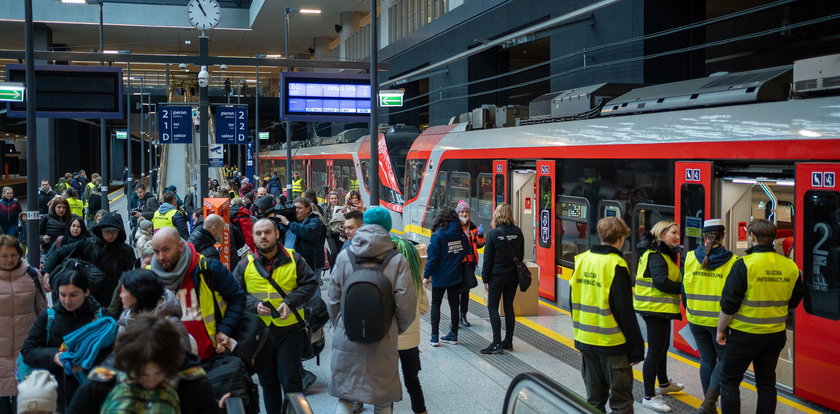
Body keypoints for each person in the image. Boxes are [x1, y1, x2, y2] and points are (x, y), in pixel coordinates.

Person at [328, 208, 416, 414]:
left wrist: (341, 322)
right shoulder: (397, 260)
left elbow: (333, 298)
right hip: (383, 336)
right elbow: (406, 305)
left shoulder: (344, 256)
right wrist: (393, 329)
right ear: (388, 227)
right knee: (383, 399)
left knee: (346, 397)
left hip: (347, 334)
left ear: (364, 224)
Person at [717, 219, 803, 414]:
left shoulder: (744, 264)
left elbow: (729, 305)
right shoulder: (790, 266)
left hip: (744, 336)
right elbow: (796, 298)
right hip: (775, 335)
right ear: (773, 238)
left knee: (729, 381)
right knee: (766, 384)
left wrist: (721, 330)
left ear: (752, 237)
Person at [233, 218, 318, 412]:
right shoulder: (245, 264)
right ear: (253, 237)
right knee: (268, 382)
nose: (263, 236)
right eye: (259, 233)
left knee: (291, 382)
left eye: (267, 232)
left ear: (276, 234)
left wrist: (290, 302)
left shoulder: (294, 258)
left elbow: (311, 285)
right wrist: (254, 305)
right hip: (261, 335)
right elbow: (234, 294)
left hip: (290, 331)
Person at [67, 315, 225, 414]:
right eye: (141, 374)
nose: (151, 382)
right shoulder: (102, 382)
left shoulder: (191, 382)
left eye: (159, 373)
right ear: (126, 364)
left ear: (174, 363)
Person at [570, 217, 644, 413]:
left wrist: (579, 339)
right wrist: (636, 347)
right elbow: (625, 311)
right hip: (613, 345)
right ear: (620, 238)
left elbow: (573, 303)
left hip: (586, 341)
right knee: (621, 404)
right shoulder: (616, 264)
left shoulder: (582, 259)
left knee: (593, 402)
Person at [148, 227, 246, 363]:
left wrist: (224, 330)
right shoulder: (150, 278)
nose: (160, 257)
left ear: (181, 246)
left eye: (166, 250)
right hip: (171, 366)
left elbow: (238, 298)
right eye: (156, 252)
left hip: (211, 360)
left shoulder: (209, 269)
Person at [20, 269, 110, 412]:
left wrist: (86, 363)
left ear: (86, 292)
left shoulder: (102, 319)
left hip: (92, 395)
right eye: (62, 295)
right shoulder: (49, 317)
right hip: (54, 394)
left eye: (74, 295)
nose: (67, 301)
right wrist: (54, 356)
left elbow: (113, 355)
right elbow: (28, 351)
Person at [683, 219, 739, 414]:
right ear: (722, 236)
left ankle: (709, 406)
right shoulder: (732, 261)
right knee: (724, 360)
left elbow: (684, 292)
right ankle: (709, 403)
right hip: (720, 322)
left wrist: (690, 311)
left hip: (695, 318)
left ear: (703, 236)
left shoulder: (690, 257)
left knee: (707, 360)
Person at [634, 219, 684, 412]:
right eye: (673, 233)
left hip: (660, 308)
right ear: (662, 234)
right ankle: (648, 396)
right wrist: (685, 288)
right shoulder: (656, 255)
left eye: (678, 233)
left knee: (662, 347)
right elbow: (661, 282)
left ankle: (663, 384)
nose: (677, 237)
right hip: (653, 308)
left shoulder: (664, 254)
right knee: (655, 351)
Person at [42, 212, 136, 308]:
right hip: (87, 297)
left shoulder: (126, 251)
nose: (110, 234)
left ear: (119, 232)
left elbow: (130, 278)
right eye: (107, 231)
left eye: (114, 231)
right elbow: (59, 253)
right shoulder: (88, 244)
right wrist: (46, 272)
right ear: (100, 229)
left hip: (111, 300)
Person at [0, 236, 47, 413]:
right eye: (4, 255)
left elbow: (43, 311)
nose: (9, 259)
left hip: (26, 351)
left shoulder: (32, 275)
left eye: (13, 254)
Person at [389, 212, 430, 414]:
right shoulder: (414, 279)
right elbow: (424, 307)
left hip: (385, 339)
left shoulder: (382, 278)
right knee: (412, 380)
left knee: (385, 381)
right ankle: (420, 411)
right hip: (410, 341)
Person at [479, 204, 523, 354]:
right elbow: (521, 255)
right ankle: (508, 341)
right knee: (509, 306)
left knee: (493, 307)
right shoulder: (518, 232)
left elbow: (488, 260)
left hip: (497, 277)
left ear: (497, 215)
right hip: (513, 276)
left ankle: (497, 342)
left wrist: (485, 279)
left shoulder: (493, 234)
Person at [423, 207, 469, 347]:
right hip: (455, 275)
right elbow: (466, 250)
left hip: (440, 276)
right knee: (454, 305)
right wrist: (454, 259)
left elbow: (432, 258)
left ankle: (434, 337)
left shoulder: (438, 235)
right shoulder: (460, 233)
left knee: (436, 304)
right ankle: (453, 335)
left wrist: (426, 276)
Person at [277, 197, 327, 281]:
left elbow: (307, 232)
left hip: (310, 264)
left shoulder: (315, 220)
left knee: (312, 292)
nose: (297, 210)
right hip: (288, 263)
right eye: (295, 208)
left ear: (308, 209)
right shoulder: (290, 220)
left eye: (300, 208)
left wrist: (287, 223)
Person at [455, 200, 484, 328]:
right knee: (455, 292)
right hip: (457, 264)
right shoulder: (454, 227)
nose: (464, 214)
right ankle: (454, 317)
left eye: (466, 211)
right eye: (462, 211)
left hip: (470, 264)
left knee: (466, 292)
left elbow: (480, 244)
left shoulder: (473, 227)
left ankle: (463, 316)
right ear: (457, 213)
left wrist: (481, 235)